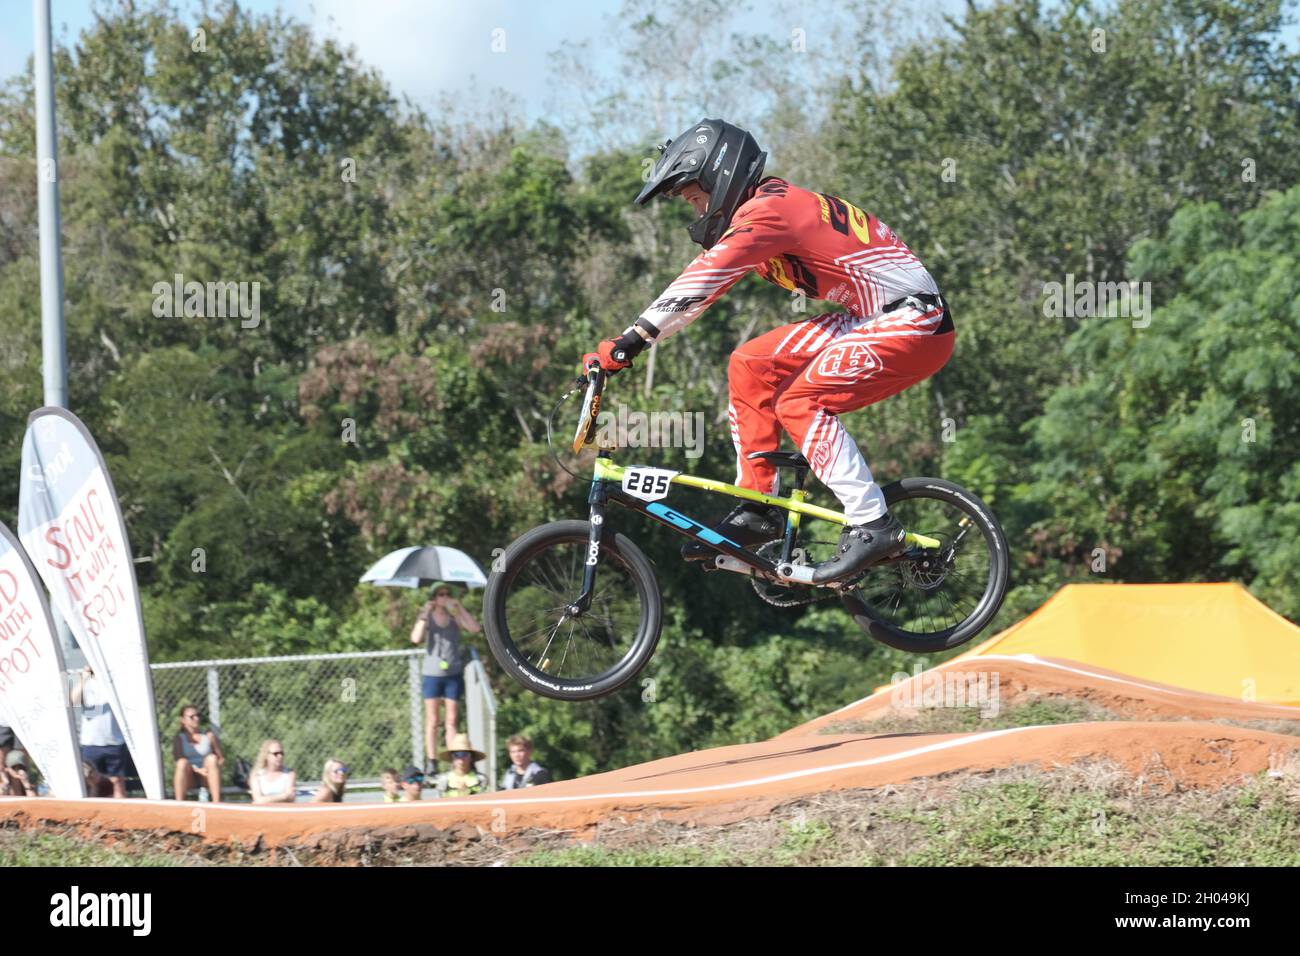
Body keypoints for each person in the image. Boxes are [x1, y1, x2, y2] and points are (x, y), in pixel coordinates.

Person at [583, 119, 954, 583]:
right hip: (873, 316)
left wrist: (632, 338)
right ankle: (758, 509)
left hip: (915, 320)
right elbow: (713, 282)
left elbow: (704, 281)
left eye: (695, 197)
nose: (696, 211)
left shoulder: (769, 212)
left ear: (720, 178)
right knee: (751, 364)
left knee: (800, 401)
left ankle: (873, 522)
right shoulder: (767, 210)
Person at [409, 584, 481, 776]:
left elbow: (475, 628)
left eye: (447, 594)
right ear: (434, 597)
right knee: (433, 720)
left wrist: (459, 608)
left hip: (453, 673)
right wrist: (425, 611)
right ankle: (431, 761)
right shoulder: (428, 617)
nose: (445, 597)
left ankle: (452, 759)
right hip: (432, 674)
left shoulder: (454, 617)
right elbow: (415, 638)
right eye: (441, 594)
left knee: (451, 720)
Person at [71, 666, 129, 799]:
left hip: (115, 741)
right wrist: (84, 678)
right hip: (90, 742)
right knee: (90, 782)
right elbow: (72, 701)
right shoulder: (84, 682)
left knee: (117, 783)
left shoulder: (114, 681)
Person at [171, 704, 225, 801]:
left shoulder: (209, 736)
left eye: (198, 715)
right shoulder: (179, 738)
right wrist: (198, 770)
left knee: (212, 759)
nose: (196, 719)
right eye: (192, 717)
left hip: (207, 776)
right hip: (190, 776)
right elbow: (178, 760)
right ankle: (179, 804)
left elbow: (221, 758)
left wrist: (212, 768)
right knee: (182, 763)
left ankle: (217, 803)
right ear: (183, 720)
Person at [434, 733, 488, 798]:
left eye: (465, 754)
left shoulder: (481, 779)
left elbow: (485, 801)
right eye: (456, 755)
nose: (461, 759)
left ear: (471, 757)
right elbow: (439, 803)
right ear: (452, 758)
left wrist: (468, 792)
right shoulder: (444, 779)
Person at [249, 740, 297, 804]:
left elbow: (291, 797)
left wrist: (265, 799)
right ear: (266, 755)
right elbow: (257, 800)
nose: (280, 756)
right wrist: (283, 796)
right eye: (276, 754)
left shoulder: (289, 774)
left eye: (281, 753)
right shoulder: (257, 775)